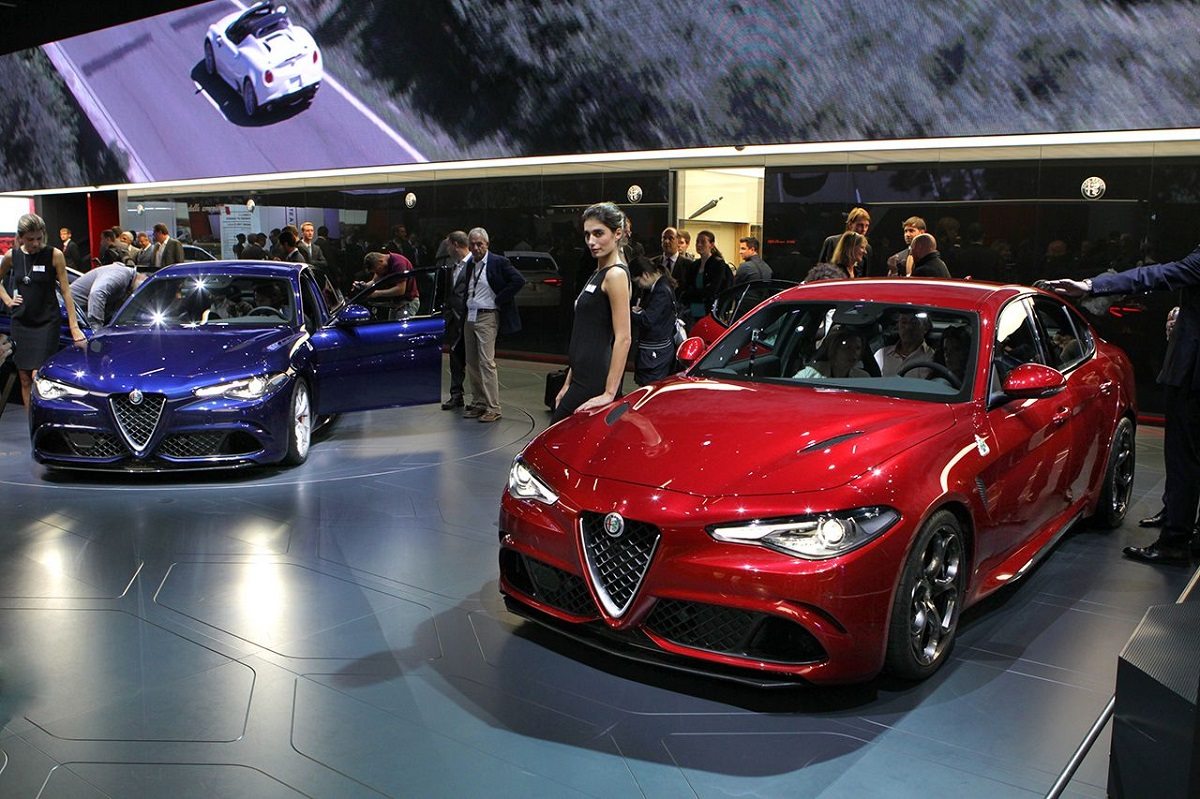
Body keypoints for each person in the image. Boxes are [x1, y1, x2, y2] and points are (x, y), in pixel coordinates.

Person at [1042, 246, 1200, 565]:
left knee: (1184, 457)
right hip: (1188, 369)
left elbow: (1159, 274)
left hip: (1193, 375)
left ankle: (1175, 540)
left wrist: (1091, 286)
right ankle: (1179, 519)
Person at [552, 202, 632, 422]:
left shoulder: (615, 275)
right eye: (587, 235)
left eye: (598, 233)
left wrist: (609, 392)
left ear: (617, 234)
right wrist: (567, 383)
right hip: (581, 375)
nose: (591, 241)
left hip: (594, 379)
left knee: (557, 435)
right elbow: (584, 333)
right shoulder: (598, 273)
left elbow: (623, 337)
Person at [0, 213, 86, 412]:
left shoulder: (54, 255)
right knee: (24, 377)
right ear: (21, 237)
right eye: (30, 239)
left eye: (39, 238)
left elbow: (66, 291)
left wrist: (74, 326)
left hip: (47, 322)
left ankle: (44, 417)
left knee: (38, 375)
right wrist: (8, 300)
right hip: (22, 323)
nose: (36, 243)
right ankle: (31, 422)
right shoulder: (12, 256)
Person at [462, 227, 526, 422]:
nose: (475, 248)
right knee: (472, 362)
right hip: (470, 316)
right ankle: (479, 402)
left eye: (479, 244)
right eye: (472, 244)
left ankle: (493, 407)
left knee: (486, 362)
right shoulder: (470, 264)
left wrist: (499, 299)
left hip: (487, 316)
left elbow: (518, 280)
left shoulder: (498, 262)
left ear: (487, 244)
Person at [629, 253, 677, 386]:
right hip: (656, 350)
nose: (639, 286)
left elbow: (648, 320)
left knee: (651, 387)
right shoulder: (660, 285)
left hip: (655, 353)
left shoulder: (661, 291)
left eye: (637, 282)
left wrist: (632, 313)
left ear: (645, 275)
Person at [440, 231, 471, 409]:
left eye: (448, 245)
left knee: (475, 361)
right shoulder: (453, 266)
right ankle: (456, 395)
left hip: (469, 318)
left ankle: (481, 399)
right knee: (455, 359)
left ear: (455, 244)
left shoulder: (474, 264)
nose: (447, 249)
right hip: (453, 319)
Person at [679, 230, 731, 327]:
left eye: (703, 242)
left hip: (709, 308)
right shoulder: (695, 264)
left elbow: (713, 289)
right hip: (694, 307)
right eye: (697, 242)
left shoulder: (718, 264)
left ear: (711, 245)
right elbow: (688, 286)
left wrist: (694, 293)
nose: (699, 245)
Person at [68, 263, 141, 328]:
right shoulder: (121, 275)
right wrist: (96, 328)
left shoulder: (128, 283)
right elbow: (97, 293)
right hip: (71, 311)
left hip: (81, 312)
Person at [357, 251, 420, 316]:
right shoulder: (381, 266)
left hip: (408, 302)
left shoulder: (399, 264)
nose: (378, 273)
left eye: (378, 269)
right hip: (395, 303)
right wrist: (363, 286)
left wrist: (377, 293)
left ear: (381, 261)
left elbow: (400, 290)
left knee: (399, 322)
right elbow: (374, 281)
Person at [876, 311, 934, 377]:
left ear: (925, 328)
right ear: (898, 326)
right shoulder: (882, 354)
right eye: (904, 322)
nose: (908, 327)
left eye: (914, 323)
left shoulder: (931, 357)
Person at [795, 329, 869, 379]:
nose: (854, 353)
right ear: (834, 350)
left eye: (858, 348)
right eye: (847, 348)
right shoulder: (811, 373)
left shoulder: (862, 378)